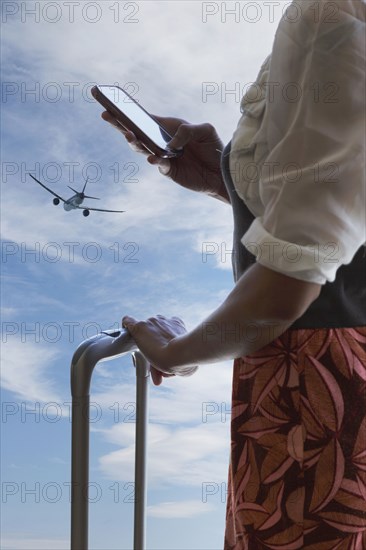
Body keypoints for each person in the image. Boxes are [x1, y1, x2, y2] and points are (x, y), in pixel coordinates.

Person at [102, 0, 366, 547]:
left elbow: (285, 288)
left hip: (310, 390)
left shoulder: (326, 19)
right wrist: (226, 177)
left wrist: (172, 352)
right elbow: (338, 214)